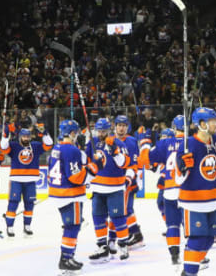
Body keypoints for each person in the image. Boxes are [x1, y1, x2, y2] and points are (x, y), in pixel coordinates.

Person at [176, 107, 216, 276]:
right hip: (192, 202)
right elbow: (178, 179)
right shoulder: (188, 145)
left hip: (212, 201)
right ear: (201, 124)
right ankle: (189, 272)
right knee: (197, 239)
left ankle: (188, 269)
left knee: (208, 239)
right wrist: (182, 167)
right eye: (212, 121)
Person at [48, 119, 96, 274]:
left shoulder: (56, 148)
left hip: (58, 193)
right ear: (73, 133)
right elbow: (76, 177)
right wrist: (93, 170)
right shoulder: (72, 150)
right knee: (73, 226)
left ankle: (68, 257)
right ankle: (66, 259)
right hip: (70, 195)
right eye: (76, 132)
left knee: (71, 225)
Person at [86, 117, 133, 262]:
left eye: (103, 131)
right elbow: (86, 163)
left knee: (118, 218)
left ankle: (123, 244)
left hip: (115, 188)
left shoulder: (117, 142)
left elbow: (125, 163)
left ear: (108, 130)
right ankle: (102, 247)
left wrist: (116, 152)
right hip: (97, 187)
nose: (101, 133)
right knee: (98, 217)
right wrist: (87, 183)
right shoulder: (91, 143)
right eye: (99, 131)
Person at [146, 116, 186, 265]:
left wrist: (145, 143)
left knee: (172, 225)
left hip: (169, 191)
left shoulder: (165, 143)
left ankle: (174, 255)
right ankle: (194, 253)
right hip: (186, 191)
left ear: (174, 128)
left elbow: (147, 158)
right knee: (188, 224)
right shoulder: (192, 142)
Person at [0, 124, 53, 236]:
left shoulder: (36, 146)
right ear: (20, 137)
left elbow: (49, 145)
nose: (26, 138)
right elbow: (4, 149)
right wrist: (5, 136)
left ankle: (27, 226)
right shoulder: (14, 146)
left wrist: (45, 134)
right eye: (24, 136)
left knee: (29, 203)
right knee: (13, 202)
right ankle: (10, 227)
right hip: (16, 179)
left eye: (28, 136)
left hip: (31, 180)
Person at [113, 115, 145, 248]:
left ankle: (135, 235)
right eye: (119, 125)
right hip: (115, 181)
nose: (121, 128)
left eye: (124, 125)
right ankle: (134, 234)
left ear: (127, 127)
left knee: (125, 209)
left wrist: (132, 179)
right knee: (126, 209)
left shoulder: (131, 141)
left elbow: (134, 163)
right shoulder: (111, 140)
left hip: (128, 180)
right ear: (115, 126)